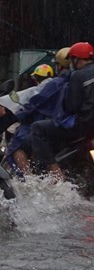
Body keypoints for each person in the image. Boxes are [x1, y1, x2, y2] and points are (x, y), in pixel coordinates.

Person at [27, 42, 94, 181]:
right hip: (89, 129)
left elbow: (71, 106)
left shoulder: (78, 76)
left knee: (37, 128)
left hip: (82, 126)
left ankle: (53, 172)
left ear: (76, 59)